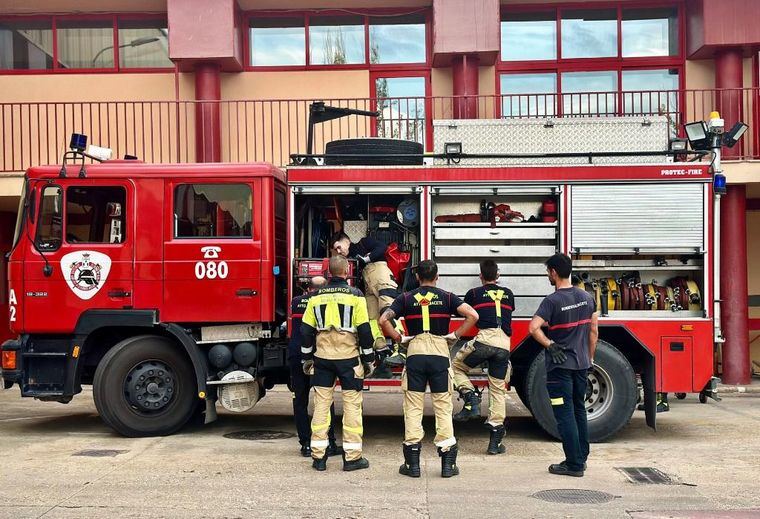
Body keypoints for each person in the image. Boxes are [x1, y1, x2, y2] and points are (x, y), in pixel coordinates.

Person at [379, 260, 479, 478]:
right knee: (443, 407)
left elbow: (383, 320)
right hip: (439, 354)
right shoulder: (447, 296)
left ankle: (412, 465)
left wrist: (399, 338)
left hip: (415, 352)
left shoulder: (405, 298)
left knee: (413, 407)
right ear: (437, 276)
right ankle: (447, 465)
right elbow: (473, 315)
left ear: (417, 277)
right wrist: (455, 335)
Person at [301, 255, 376, 472]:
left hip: (323, 360)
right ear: (346, 272)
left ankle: (319, 457)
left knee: (321, 406)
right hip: (348, 360)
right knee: (352, 405)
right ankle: (352, 458)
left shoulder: (315, 297)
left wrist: (307, 358)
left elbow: (305, 331)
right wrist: (369, 358)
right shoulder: (356, 296)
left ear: (329, 273)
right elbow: (364, 330)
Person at [529, 253, 598, 478]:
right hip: (581, 365)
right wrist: (590, 358)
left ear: (554, 273)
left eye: (548, 272)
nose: (548, 276)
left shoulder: (552, 301)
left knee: (564, 413)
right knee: (579, 409)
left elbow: (533, 328)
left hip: (559, 369)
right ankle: (581, 457)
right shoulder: (587, 297)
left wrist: (549, 344)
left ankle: (573, 464)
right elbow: (593, 331)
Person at [452, 259, 515, 455]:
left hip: (483, 342)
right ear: (498, 275)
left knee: (455, 368)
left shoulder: (473, 293)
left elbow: (466, 314)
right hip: (504, 345)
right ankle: (495, 441)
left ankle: (470, 398)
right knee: (497, 390)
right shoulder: (509, 294)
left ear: (481, 276)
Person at [288, 275, 342, 458]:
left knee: (300, 400)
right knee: (325, 399)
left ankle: (305, 444)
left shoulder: (295, 302)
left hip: (296, 356)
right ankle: (331, 442)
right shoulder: (324, 302)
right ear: (325, 287)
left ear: (307, 288)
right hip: (319, 355)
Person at [331, 231, 399, 366]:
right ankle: (382, 349)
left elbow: (382, 248)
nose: (339, 251)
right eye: (336, 250)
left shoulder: (364, 242)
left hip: (381, 278)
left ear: (346, 240)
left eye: (339, 247)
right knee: (371, 318)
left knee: (388, 311)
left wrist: (366, 259)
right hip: (368, 286)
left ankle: (401, 347)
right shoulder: (349, 259)